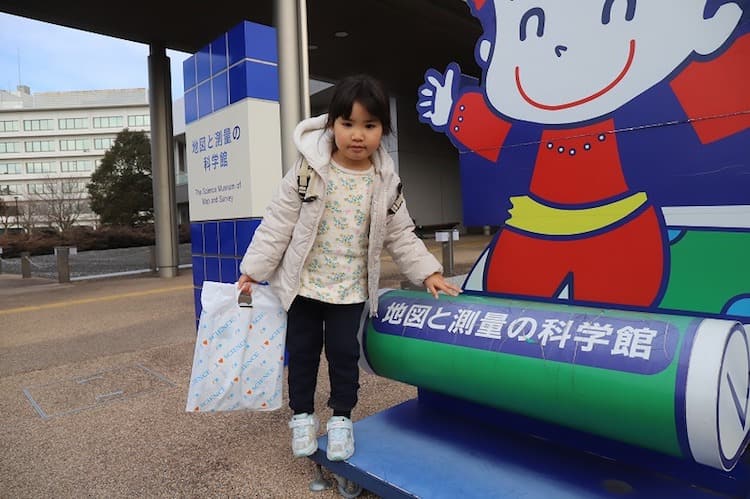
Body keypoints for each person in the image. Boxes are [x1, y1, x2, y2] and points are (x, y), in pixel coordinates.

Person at [237, 74, 461, 462]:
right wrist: (254, 270)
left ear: (382, 131)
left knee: (344, 356)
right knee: (303, 354)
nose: (358, 135)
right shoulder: (308, 171)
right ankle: (303, 416)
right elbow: (277, 223)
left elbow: (401, 233)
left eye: (370, 126)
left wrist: (428, 271)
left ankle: (341, 419)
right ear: (332, 125)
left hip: (349, 291)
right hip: (303, 287)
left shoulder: (385, 182)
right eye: (348, 124)